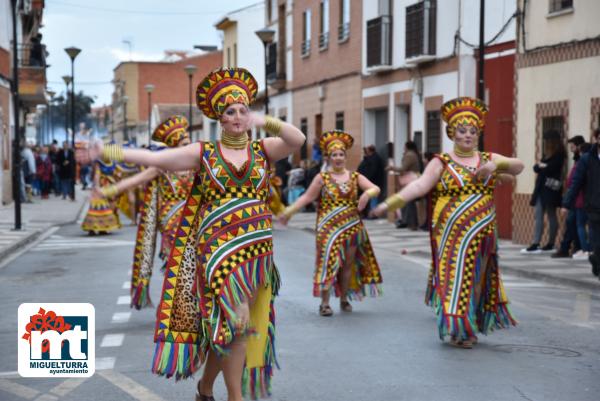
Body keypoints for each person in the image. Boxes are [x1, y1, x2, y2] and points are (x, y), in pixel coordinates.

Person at [78, 67, 305, 401]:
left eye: (243, 110)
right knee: (238, 322)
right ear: (220, 118)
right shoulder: (204, 153)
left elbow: (297, 140)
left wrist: (265, 121)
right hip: (218, 252)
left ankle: (205, 386)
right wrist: (106, 152)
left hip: (257, 255)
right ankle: (235, 397)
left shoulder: (264, 150)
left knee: (230, 328)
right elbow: (157, 158)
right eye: (231, 111)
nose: (238, 116)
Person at [372, 97, 524, 348]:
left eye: (473, 131)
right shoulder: (441, 162)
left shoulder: (487, 158)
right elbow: (419, 186)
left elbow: (518, 166)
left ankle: (469, 325)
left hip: (484, 230)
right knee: (455, 277)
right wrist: (389, 204)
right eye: (462, 131)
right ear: (452, 133)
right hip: (451, 232)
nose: (468, 135)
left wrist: (494, 165)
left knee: (477, 278)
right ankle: (458, 328)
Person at [279, 130, 383, 316]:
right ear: (328, 157)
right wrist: (289, 211)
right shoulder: (322, 178)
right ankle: (325, 303)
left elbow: (375, 188)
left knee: (348, 264)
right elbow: (307, 197)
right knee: (327, 262)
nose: (338, 158)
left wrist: (367, 194)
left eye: (341, 154)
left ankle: (344, 298)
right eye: (334, 155)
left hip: (351, 226)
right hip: (328, 227)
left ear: (345, 156)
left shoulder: (354, 177)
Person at [97, 116, 193, 309]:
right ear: (174, 144)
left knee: (195, 264)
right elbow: (134, 181)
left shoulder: (195, 163)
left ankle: (189, 302)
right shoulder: (162, 165)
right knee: (178, 263)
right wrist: (108, 191)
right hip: (171, 221)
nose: (188, 146)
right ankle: (177, 304)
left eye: (189, 142)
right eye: (184, 143)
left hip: (194, 219)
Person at [561, 129, 600, 277]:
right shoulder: (587, 159)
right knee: (597, 241)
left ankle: (596, 259)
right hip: (594, 207)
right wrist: (566, 204)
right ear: (596, 139)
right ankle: (597, 258)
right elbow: (576, 183)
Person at [522, 130, 566, 254]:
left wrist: (543, 166)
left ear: (552, 142)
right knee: (539, 215)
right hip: (542, 189)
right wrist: (542, 166)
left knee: (551, 215)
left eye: (547, 141)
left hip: (551, 189)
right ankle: (536, 243)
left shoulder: (559, 154)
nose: (545, 143)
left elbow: (552, 168)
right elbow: (536, 168)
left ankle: (549, 243)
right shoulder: (547, 154)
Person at [551, 135, 585, 258]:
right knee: (572, 224)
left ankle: (575, 248)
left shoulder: (582, 160)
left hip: (578, 198)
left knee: (575, 223)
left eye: (572, 147)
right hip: (574, 198)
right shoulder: (578, 159)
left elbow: (577, 181)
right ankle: (572, 248)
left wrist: (566, 202)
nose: (571, 149)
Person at [81, 155, 122, 235]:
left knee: (106, 207)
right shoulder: (99, 163)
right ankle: (95, 228)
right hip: (102, 186)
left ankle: (101, 227)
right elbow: (97, 175)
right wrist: (96, 186)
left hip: (109, 186)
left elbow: (117, 174)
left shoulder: (112, 163)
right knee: (99, 207)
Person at [387, 141, 423, 229]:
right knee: (410, 202)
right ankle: (411, 223)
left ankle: (411, 223)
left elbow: (403, 168)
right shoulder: (414, 154)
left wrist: (392, 168)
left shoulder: (409, 155)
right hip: (414, 179)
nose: (403, 148)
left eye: (404, 146)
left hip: (410, 181)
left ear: (407, 147)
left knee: (409, 202)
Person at [357, 144, 385, 214]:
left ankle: (373, 213)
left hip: (374, 181)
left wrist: (367, 179)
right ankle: (371, 212)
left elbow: (372, 171)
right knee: (371, 197)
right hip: (372, 181)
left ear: (370, 151)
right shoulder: (371, 158)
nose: (365, 152)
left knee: (373, 197)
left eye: (366, 151)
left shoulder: (374, 158)